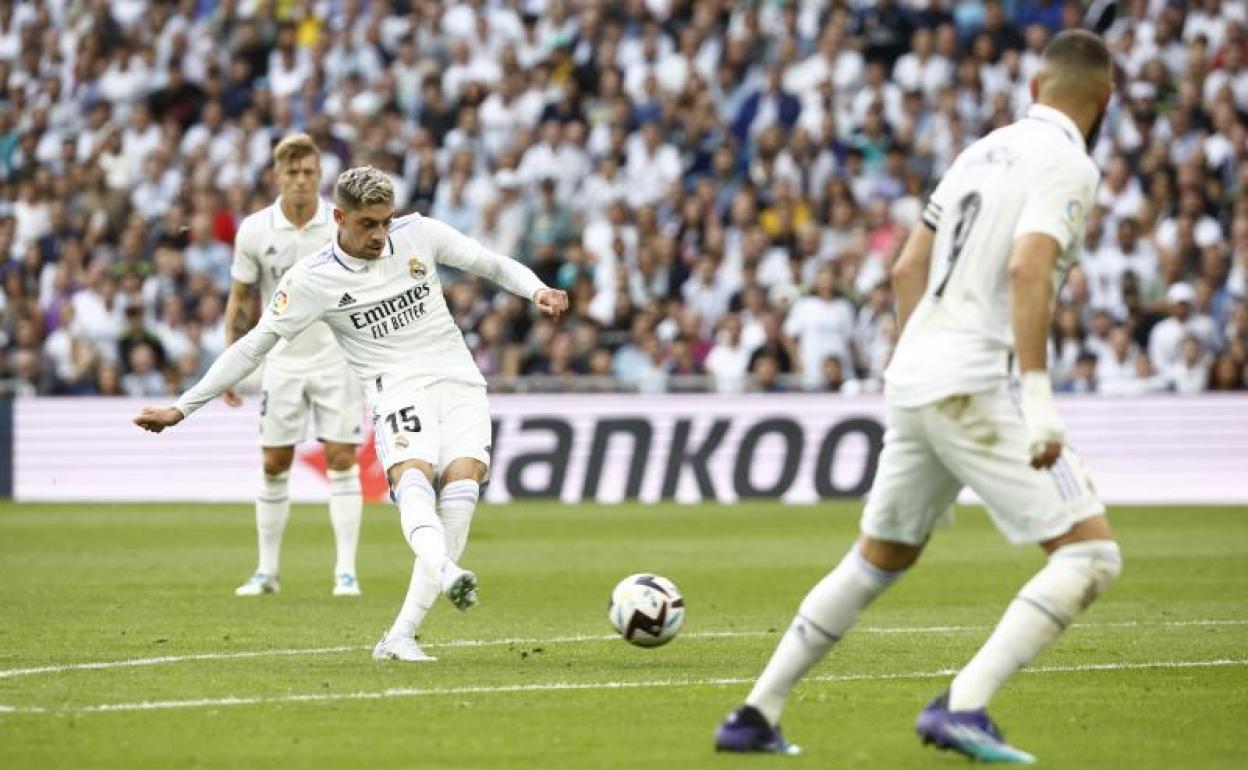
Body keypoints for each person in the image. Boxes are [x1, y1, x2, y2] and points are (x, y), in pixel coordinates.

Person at [715, 31, 1122, 763]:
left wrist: (915, 367)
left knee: (879, 558)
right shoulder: (1069, 164)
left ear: (1034, 86)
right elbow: (1030, 272)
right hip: (972, 380)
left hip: (914, 374)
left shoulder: (980, 150)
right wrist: (1038, 398)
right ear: (1108, 98)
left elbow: (907, 268)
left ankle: (755, 712)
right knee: (1090, 558)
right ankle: (963, 706)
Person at [135, 166, 569, 663]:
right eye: (368, 224)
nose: (381, 235)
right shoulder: (311, 280)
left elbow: (489, 263)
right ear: (339, 217)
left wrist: (535, 289)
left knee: (464, 485)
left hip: (460, 382)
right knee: (415, 477)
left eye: (385, 222)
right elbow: (253, 346)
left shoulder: (418, 234)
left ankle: (401, 634)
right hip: (397, 392)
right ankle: (445, 570)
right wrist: (182, 407)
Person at [223, 133, 367, 599]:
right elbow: (242, 300)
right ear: (277, 176)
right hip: (282, 360)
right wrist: (232, 363)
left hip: (336, 357)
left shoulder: (341, 225)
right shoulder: (254, 230)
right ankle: (267, 572)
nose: (301, 180)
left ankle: (345, 572)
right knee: (273, 461)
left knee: (342, 459)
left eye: (309, 172)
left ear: (320, 176)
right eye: (292, 173)